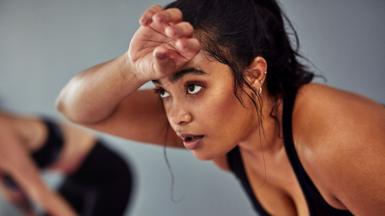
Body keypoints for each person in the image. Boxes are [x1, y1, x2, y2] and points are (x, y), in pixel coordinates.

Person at [55, 0, 385, 215]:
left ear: (254, 75)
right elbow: (74, 107)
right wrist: (132, 68)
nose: (177, 116)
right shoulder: (232, 135)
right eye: (162, 92)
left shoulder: (338, 139)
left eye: (193, 86)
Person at [0, 109, 135, 216]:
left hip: (106, 173)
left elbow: (39, 192)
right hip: (76, 180)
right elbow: (13, 193)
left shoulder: (2, 131)